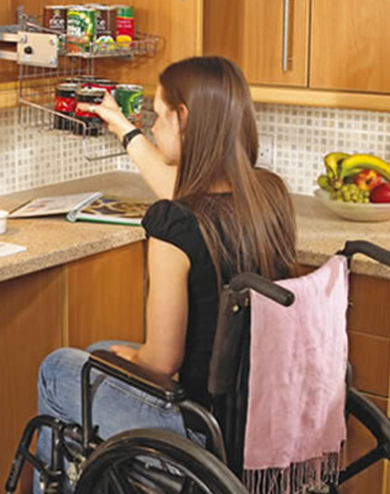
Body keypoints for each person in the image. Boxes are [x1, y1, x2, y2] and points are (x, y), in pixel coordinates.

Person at [34, 56, 297, 492]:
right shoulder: (269, 196)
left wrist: (137, 357)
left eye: (157, 115)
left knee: (59, 366)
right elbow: (189, 190)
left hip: (197, 429)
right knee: (101, 349)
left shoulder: (174, 224)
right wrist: (122, 126)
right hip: (256, 410)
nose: (153, 126)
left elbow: (162, 361)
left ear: (184, 119)